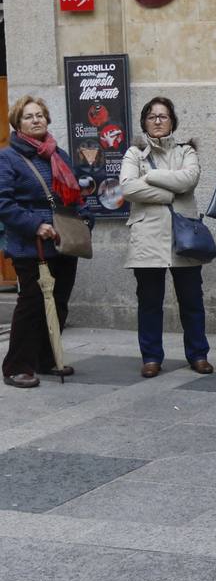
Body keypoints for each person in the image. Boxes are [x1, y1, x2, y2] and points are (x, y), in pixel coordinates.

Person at [119, 97, 213, 378]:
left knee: (192, 301)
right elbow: (127, 188)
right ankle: (151, 357)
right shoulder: (133, 153)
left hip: (184, 236)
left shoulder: (186, 151)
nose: (158, 121)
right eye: (152, 116)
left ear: (172, 121)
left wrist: (151, 176)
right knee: (149, 303)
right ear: (144, 122)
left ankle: (198, 354)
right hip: (147, 237)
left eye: (164, 116)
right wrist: (168, 192)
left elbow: (189, 180)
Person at [0, 96, 90, 387]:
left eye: (40, 115)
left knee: (59, 302)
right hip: (32, 244)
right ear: (18, 123)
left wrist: (85, 220)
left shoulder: (58, 154)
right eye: (29, 116)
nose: (36, 120)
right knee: (32, 303)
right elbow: (4, 202)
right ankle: (16, 365)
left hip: (64, 240)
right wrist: (35, 225)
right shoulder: (8, 157)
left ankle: (46, 358)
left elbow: (74, 194)